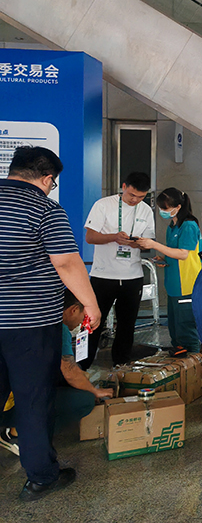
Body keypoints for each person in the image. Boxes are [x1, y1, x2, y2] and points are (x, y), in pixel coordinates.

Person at [0, 146, 101, 501]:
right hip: (29, 324)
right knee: (33, 399)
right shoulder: (44, 209)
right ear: (47, 179)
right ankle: (41, 477)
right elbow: (67, 263)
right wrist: (91, 304)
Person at [0, 289, 114, 453]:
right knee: (84, 400)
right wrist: (95, 391)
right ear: (73, 310)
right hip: (9, 405)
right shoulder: (58, 328)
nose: (82, 323)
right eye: (84, 317)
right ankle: (16, 433)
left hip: (10, 391)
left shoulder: (33, 318)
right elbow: (69, 372)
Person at [83, 171, 155, 368]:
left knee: (127, 325)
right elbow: (90, 237)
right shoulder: (103, 205)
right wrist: (114, 237)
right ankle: (82, 365)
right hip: (103, 275)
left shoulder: (146, 210)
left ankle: (121, 365)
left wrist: (137, 243)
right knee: (93, 322)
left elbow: (148, 242)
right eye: (132, 195)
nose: (135, 200)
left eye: (141, 197)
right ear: (124, 186)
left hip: (133, 276)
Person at [138, 188, 202, 354]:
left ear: (178, 207)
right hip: (174, 285)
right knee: (176, 328)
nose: (162, 211)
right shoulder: (173, 226)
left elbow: (183, 254)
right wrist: (164, 258)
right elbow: (174, 252)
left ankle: (194, 360)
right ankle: (182, 359)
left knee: (186, 329)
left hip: (187, 285)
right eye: (161, 208)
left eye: (165, 208)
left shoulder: (189, 225)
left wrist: (154, 245)